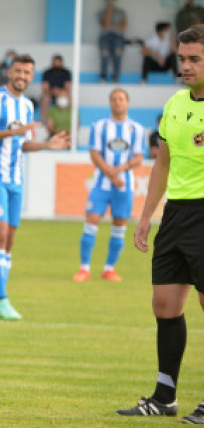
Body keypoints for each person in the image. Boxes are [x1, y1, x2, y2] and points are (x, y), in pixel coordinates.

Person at [117, 24, 204, 425]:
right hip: (176, 215)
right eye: (182, 59)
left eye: (194, 59)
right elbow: (163, 164)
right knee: (165, 306)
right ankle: (164, 397)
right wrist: (146, 216)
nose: (185, 66)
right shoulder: (173, 104)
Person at [0, 54, 69, 320]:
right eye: (18, 71)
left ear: (32, 76)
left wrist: (47, 145)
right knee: (0, 234)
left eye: (27, 73)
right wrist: (12, 132)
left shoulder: (27, 106)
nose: (22, 76)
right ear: (9, 72)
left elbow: (24, 144)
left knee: (10, 239)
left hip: (16, 178)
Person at [72, 88, 145, 283]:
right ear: (110, 103)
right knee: (91, 223)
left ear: (127, 103)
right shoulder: (100, 126)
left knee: (119, 227)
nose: (117, 102)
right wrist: (111, 173)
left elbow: (139, 157)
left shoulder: (136, 129)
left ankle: (109, 269)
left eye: (121, 99)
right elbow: (94, 153)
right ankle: (84, 268)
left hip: (124, 186)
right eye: (114, 99)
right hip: (101, 184)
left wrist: (121, 168)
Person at [97, 0, 127, 83]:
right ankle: (103, 77)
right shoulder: (101, 12)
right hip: (105, 36)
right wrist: (109, 11)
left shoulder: (121, 12)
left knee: (117, 55)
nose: (111, 0)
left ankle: (115, 76)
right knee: (105, 56)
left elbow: (123, 26)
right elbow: (105, 24)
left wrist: (111, 25)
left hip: (118, 37)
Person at [40, 54, 71, 123]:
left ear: (61, 63)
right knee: (45, 98)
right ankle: (44, 120)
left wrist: (59, 91)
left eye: (58, 62)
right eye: (55, 62)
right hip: (50, 93)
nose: (57, 64)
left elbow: (67, 87)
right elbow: (45, 87)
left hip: (62, 93)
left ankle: (69, 118)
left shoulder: (66, 73)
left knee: (69, 96)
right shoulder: (47, 73)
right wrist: (53, 91)